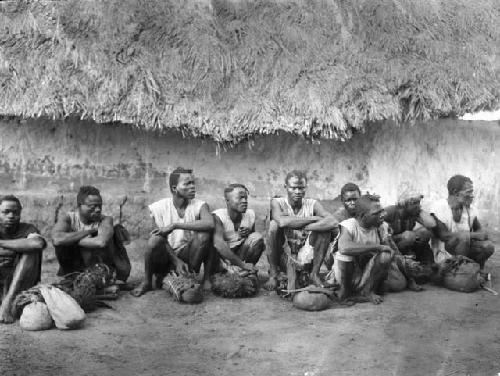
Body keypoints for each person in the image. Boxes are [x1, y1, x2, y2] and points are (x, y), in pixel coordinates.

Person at [131, 167, 215, 297]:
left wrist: (175, 225)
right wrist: (176, 261)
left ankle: (192, 277)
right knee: (155, 239)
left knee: (205, 234)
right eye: (187, 184)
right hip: (166, 255)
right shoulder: (158, 208)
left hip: (188, 256)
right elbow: (158, 239)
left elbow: (210, 223)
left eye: (193, 183)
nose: (193, 187)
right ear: (174, 188)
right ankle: (147, 281)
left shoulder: (200, 205)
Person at [265, 170, 337, 290]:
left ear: (305, 188)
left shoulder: (312, 204)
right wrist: (314, 218)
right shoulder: (277, 202)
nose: (297, 192)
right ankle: (273, 274)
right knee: (273, 226)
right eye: (293, 188)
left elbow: (333, 221)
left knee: (325, 229)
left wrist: (304, 226)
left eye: (301, 188)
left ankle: (314, 274)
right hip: (285, 256)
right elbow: (282, 222)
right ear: (285, 187)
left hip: (307, 256)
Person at [52, 186, 131, 283]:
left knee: (66, 242)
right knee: (61, 245)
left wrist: (71, 239)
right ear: (80, 206)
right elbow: (57, 239)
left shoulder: (105, 220)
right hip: (76, 265)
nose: (98, 210)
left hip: (100, 266)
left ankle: (99, 278)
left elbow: (101, 242)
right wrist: (90, 231)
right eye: (92, 206)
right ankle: (72, 276)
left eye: (100, 206)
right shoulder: (68, 218)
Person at [334, 194, 395, 304]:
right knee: (345, 254)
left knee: (386, 255)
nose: (382, 215)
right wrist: (377, 247)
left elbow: (389, 250)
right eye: (376, 213)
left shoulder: (381, 226)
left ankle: (367, 291)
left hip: (367, 275)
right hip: (348, 277)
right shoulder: (349, 225)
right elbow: (344, 248)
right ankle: (345, 292)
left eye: (382, 211)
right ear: (362, 215)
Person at [430, 175, 494, 268]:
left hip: (464, 249)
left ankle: (475, 268)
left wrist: (472, 235)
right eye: (469, 192)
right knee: (463, 237)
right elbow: (444, 236)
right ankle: (458, 268)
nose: (472, 195)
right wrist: (470, 235)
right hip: (444, 253)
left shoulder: (470, 209)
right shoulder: (439, 207)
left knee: (488, 246)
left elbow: (482, 232)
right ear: (456, 193)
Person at [0, 195, 46, 323]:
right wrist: (17, 248)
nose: (10, 216)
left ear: (20, 213)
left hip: (21, 284)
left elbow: (37, 244)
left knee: (30, 252)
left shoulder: (28, 228)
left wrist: (2, 244)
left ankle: (8, 302)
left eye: (15, 212)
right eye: (6, 212)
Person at [213, 184, 265, 273]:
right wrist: (242, 264)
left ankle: (245, 271)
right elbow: (219, 246)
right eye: (240, 198)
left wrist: (248, 233)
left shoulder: (250, 214)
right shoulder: (218, 217)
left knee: (257, 237)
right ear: (227, 201)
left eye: (245, 198)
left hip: (240, 254)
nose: (244, 201)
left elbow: (256, 244)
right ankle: (234, 270)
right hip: (222, 258)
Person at [384, 189, 436, 264]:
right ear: (404, 204)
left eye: (419, 203)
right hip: (390, 246)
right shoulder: (390, 212)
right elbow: (380, 238)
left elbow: (432, 224)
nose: (419, 205)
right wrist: (400, 236)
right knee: (408, 237)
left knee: (425, 232)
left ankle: (427, 264)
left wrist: (419, 211)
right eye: (415, 203)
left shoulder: (413, 213)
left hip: (406, 244)